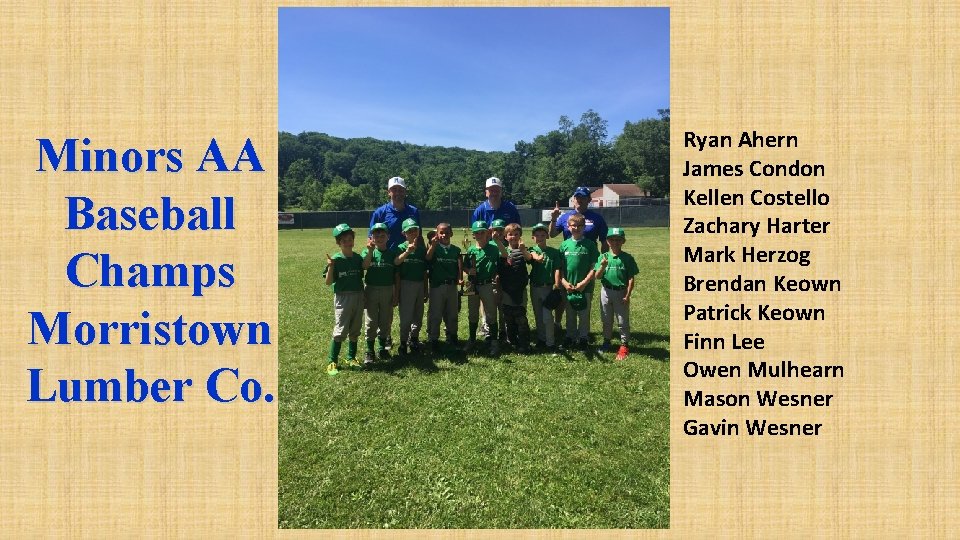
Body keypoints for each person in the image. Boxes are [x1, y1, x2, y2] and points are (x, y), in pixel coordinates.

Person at [324, 224, 364, 374]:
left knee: (355, 329)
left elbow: (362, 272)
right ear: (338, 243)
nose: (348, 242)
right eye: (344, 240)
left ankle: (351, 357)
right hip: (343, 297)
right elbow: (328, 282)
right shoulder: (336, 259)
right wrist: (330, 267)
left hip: (358, 295)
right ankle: (332, 361)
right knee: (341, 330)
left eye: (350, 239)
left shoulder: (357, 257)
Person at [464, 220, 508, 355]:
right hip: (472, 284)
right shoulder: (471, 249)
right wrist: (468, 271)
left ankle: (494, 341)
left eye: (482, 232)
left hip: (487, 283)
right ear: (473, 235)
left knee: (490, 313)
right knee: (472, 313)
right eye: (477, 233)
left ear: (487, 233)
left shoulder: (493, 248)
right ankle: (472, 339)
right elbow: (465, 266)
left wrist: (498, 241)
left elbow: (505, 255)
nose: (480, 235)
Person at [594, 227, 638, 361]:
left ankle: (624, 345)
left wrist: (628, 295)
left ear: (623, 241)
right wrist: (602, 266)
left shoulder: (627, 258)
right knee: (606, 319)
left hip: (621, 292)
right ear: (607, 241)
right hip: (606, 290)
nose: (615, 242)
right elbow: (597, 276)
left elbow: (631, 278)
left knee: (622, 320)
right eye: (612, 239)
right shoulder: (603, 256)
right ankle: (607, 341)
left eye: (618, 240)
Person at [497, 223, 540, 352]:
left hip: (520, 289)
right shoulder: (503, 251)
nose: (513, 237)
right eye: (510, 234)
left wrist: (523, 250)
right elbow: (505, 255)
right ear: (505, 236)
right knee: (508, 317)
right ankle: (511, 341)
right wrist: (497, 241)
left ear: (520, 236)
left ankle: (524, 342)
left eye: (516, 234)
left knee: (520, 317)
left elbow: (529, 258)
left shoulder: (524, 250)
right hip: (506, 289)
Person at [559, 213, 599, 349]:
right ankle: (570, 336)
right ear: (568, 227)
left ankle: (583, 337)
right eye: (573, 225)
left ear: (584, 227)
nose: (576, 228)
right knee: (570, 314)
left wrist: (584, 282)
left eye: (579, 226)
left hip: (585, 287)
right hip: (569, 286)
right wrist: (564, 282)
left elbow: (594, 266)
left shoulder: (590, 245)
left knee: (584, 314)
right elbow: (560, 267)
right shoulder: (564, 245)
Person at [361, 223, 398, 367]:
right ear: (371, 237)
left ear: (388, 237)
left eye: (383, 235)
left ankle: (382, 348)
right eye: (376, 235)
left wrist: (395, 294)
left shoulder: (391, 254)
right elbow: (364, 266)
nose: (379, 238)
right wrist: (370, 251)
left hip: (387, 289)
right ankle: (369, 350)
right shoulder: (367, 252)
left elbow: (396, 275)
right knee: (371, 321)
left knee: (385, 320)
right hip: (371, 288)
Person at [393, 218, 428, 356]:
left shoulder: (421, 250)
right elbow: (396, 262)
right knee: (406, 316)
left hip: (419, 283)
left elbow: (424, 272)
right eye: (409, 231)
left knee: (418, 315)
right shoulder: (401, 247)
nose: (413, 233)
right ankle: (403, 342)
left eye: (415, 230)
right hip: (406, 284)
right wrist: (407, 251)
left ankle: (414, 339)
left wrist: (426, 289)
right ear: (404, 233)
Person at [425, 223, 461, 352]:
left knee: (452, 313)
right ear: (437, 234)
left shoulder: (456, 250)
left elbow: (459, 268)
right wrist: (433, 246)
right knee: (435, 314)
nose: (444, 235)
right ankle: (433, 338)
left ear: (451, 234)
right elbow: (428, 258)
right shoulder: (434, 248)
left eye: (447, 232)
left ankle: (452, 336)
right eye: (441, 232)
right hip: (437, 286)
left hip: (451, 286)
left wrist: (460, 278)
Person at [528, 223, 564, 350]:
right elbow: (531, 256)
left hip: (548, 287)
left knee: (547, 316)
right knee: (538, 315)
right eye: (537, 235)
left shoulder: (553, 252)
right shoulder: (532, 250)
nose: (540, 237)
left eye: (543, 235)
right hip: (534, 286)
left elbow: (557, 269)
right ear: (533, 237)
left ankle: (550, 342)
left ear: (547, 236)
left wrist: (557, 285)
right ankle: (541, 339)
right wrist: (536, 257)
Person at [550, 186, 609, 252]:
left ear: (589, 200)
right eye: (577, 197)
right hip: (569, 258)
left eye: (583, 198)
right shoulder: (565, 217)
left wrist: (604, 258)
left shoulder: (597, 218)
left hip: (590, 258)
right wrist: (553, 218)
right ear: (573, 200)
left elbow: (604, 241)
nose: (579, 200)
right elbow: (552, 234)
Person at [370, 176, 421, 251]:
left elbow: (419, 236)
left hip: (409, 257)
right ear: (389, 192)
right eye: (394, 189)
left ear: (405, 191)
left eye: (401, 189)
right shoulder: (380, 212)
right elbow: (371, 238)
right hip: (388, 258)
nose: (398, 192)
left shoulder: (414, 211)